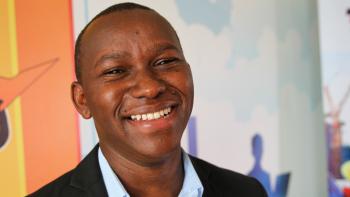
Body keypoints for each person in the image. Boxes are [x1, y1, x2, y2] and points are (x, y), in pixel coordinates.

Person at [28, 2, 267, 197]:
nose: (150, 88)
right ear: (82, 100)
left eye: (165, 62)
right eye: (115, 71)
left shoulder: (246, 191)